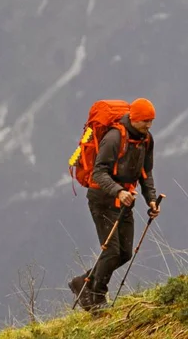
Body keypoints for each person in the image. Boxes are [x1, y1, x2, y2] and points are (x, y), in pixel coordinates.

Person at [69, 98, 161, 311]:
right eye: (145, 121)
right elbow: (98, 172)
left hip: (125, 200)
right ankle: (97, 297)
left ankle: (82, 283)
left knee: (125, 253)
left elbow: (145, 173)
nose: (149, 125)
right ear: (134, 119)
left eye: (151, 121)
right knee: (111, 251)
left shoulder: (146, 139)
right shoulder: (113, 137)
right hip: (102, 199)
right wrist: (118, 191)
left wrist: (152, 200)